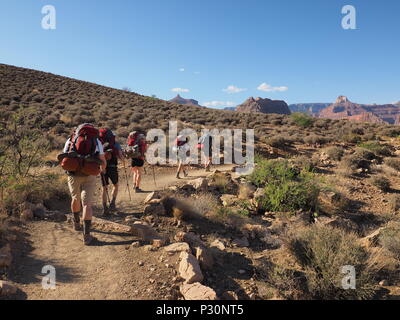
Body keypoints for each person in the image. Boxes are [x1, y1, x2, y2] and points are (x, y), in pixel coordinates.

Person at [59, 124, 106, 246]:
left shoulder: (71, 139)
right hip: (89, 174)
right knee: (87, 205)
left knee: (75, 198)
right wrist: (100, 170)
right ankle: (87, 236)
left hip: (73, 174)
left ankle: (76, 223)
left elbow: (64, 157)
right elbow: (103, 161)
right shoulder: (96, 141)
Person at [99, 129, 124, 216]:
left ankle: (104, 208)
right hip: (113, 168)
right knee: (115, 185)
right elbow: (121, 157)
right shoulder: (115, 144)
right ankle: (112, 203)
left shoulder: (99, 144)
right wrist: (122, 159)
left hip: (102, 168)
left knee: (104, 188)